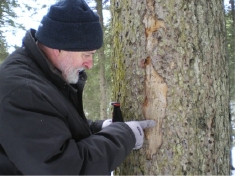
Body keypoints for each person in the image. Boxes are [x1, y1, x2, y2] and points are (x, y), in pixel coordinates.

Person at [0, 0, 156, 175]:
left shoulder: (46, 74)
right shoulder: (22, 91)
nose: (89, 64)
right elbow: (63, 168)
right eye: (86, 54)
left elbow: (55, 126)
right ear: (59, 47)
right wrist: (124, 136)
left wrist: (100, 128)